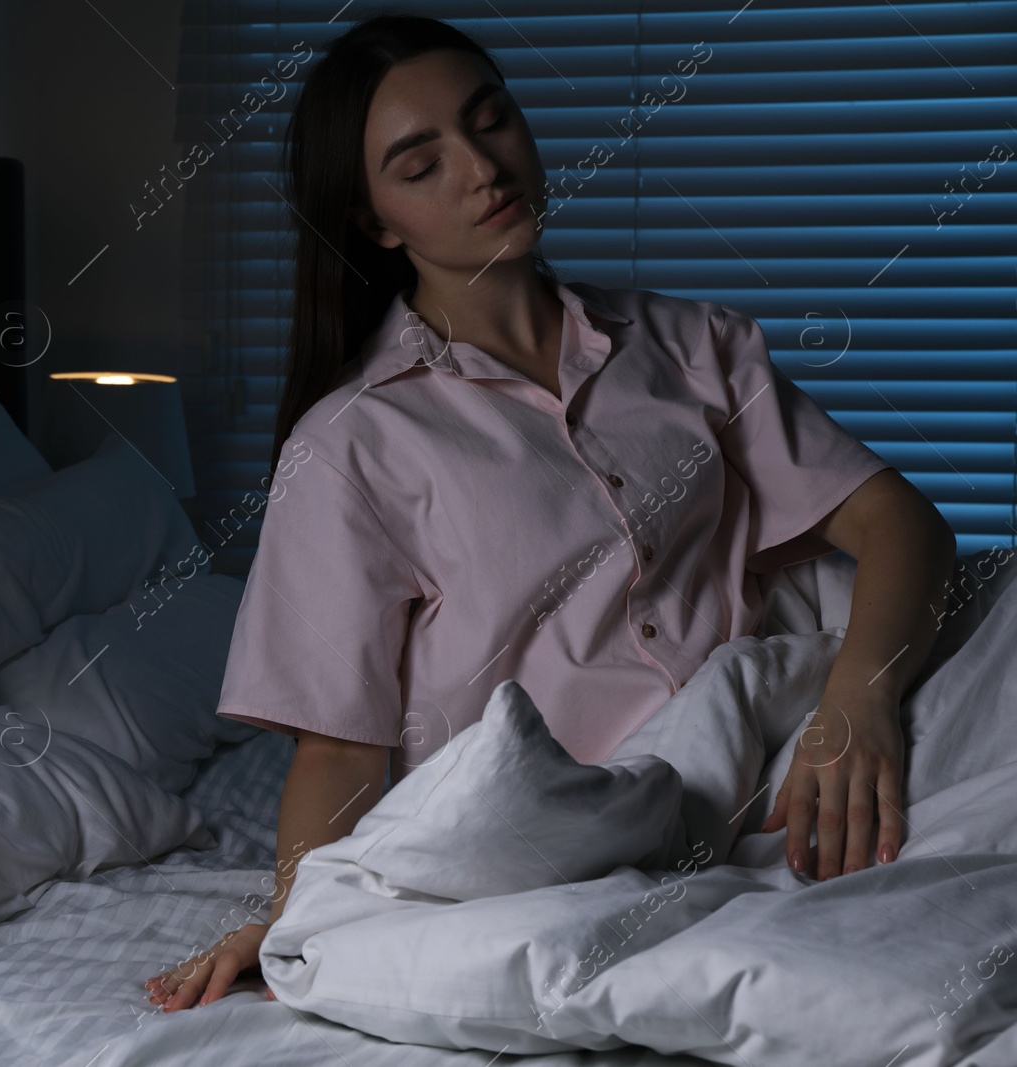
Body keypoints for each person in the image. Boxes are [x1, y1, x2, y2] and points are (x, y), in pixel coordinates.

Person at [144, 13, 957, 1013]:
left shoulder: (694, 343)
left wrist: (857, 699)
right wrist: (297, 915)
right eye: (419, 162)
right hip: (565, 832)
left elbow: (897, 521)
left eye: (490, 121)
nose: (481, 168)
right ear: (376, 222)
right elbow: (341, 744)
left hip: (774, 760)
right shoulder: (350, 444)